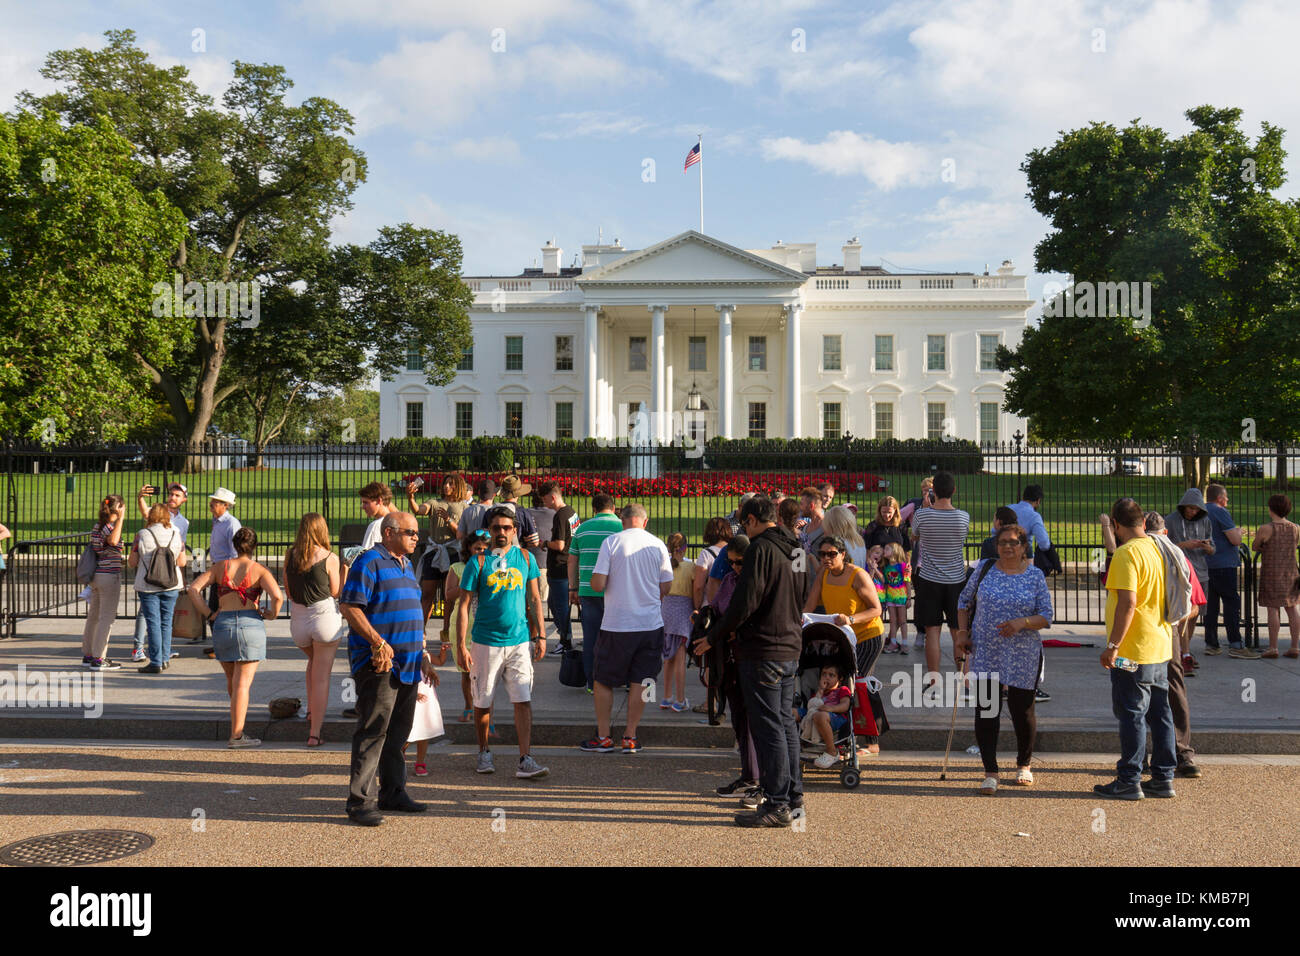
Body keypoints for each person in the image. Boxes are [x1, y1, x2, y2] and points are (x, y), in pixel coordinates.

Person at [701, 496, 804, 828]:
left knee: (768, 726)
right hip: (789, 643)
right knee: (785, 724)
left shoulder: (760, 549)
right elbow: (802, 592)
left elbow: (744, 603)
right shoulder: (796, 547)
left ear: (751, 520)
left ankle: (776, 803)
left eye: (744, 522)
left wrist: (714, 635)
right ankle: (792, 797)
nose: (744, 527)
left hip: (762, 648)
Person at [339, 511, 440, 826]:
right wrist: (377, 643)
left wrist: (423, 654)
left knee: (398, 734)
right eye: (410, 532)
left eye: (416, 533)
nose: (416, 537)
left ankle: (393, 792)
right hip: (380, 662)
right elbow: (350, 606)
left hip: (409, 663)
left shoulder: (406, 565)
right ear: (389, 533)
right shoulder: (369, 562)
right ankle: (360, 802)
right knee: (373, 731)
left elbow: (411, 614)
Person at [955, 523, 1053, 794]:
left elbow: (1046, 616)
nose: (1007, 547)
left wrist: (1022, 622)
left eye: (1013, 542)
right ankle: (990, 771)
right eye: (1002, 542)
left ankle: (1024, 764)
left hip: (1023, 654)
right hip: (987, 651)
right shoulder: (985, 569)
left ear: (1024, 547)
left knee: (1023, 712)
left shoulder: (1034, 576)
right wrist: (962, 633)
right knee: (987, 711)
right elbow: (964, 602)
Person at [456, 506, 549, 778]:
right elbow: (463, 605)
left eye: (507, 528)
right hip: (486, 641)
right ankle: (484, 751)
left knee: (523, 698)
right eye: (496, 528)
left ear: (515, 530)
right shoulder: (478, 562)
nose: (501, 533)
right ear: (489, 530)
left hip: (519, 641)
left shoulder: (525, 557)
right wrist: (461, 645)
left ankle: (525, 758)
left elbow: (534, 599)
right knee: (482, 701)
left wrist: (540, 635)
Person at [1094, 498, 1177, 800]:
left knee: (1131, 711)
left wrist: (1113, 646)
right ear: (1143, 521)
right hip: (1159, 644)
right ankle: (1163, 776)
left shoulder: (1126, 554)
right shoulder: (1158, 548)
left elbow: (1128, 603)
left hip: (1131, 651)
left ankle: (1129, 777)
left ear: (1115, 525)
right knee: (1160, 712)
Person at [580, 504, 674, 754]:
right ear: (645, 521)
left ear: (622, 520)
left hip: (617, 624)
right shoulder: (657, 544)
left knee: (602, 680)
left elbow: (597, 584)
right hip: (651, 623)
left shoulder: (611, 542)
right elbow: (666, 586)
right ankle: (631, 735)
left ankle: (603, 736)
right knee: (644, 680)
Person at [187, 528, 283, 748]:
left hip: (223, 624)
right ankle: (237, 735)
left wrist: (209, 614)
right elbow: (277, 596)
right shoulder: (258, 570)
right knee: (243, 684)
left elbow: (194, 588)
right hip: (250, 624)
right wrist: (272, 613)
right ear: (254, 546)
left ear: (234, 544)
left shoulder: (221, 567)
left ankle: (236, 727)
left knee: (232, 680)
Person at [804, 534, 885, 754]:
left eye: (831, 554)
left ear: (842, 554)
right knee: (842, 683)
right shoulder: (824, 574)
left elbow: (876, 609)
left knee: (861, 682)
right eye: (822, 555)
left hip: (867, 635)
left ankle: (873, 740)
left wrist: (851, 619)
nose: (826, 559)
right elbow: (810, 606)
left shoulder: (858, 576)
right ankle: (840, 734)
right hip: (842, 637)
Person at [702, 535, 764, 804]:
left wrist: (726, 629)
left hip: (749, 656)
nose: (735, 567)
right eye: (731, 563)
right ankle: (748, 774)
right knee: (739, 717)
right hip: (728, 659)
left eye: (740, 562)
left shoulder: (756, 583)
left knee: (754, 719)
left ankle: (758, 778)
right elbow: (717, 608)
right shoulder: (729, 580)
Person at [284, 513, 345, 747]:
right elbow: (336, 591)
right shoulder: (329, 557)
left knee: (313, 663)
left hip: (299, 619)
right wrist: (346, 571)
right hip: (324, 618)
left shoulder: (291, 555)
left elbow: (287, 591)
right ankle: (315, 732)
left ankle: (311, 710)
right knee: (322, 675)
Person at [909, 472, 971, 684]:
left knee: (932, 631)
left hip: (929, 579)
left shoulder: (922, 515)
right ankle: (963, 676)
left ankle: (934, 678)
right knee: (958, 631)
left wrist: (926, 509)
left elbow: (914, 536)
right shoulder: (963, 517)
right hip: (956, 580)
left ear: (933, 491)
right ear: (954, 491)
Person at [568, 492, 622, 693]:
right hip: (616, 592)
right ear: (613, 508)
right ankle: (618, 678)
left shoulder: (582, 529)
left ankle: (593, 682)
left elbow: (572, 560)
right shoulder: (621, 528)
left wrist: (572, 587)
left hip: (588, 590)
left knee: (591, 638)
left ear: (594, 509)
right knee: (618, 637)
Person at [130, 482, 189, 663]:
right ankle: (161, 656)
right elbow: (182, 560)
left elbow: (133, 562)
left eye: (177, 495)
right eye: (170, 494)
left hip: (149, 580)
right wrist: (140, 498)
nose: (172, 497)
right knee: (165, 620)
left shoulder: (143, 534)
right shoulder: (176, 532)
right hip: (171, 578)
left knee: (153, 620)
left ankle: (157, 659)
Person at [1202, 483, 1259, 659]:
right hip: (1223, 564)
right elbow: (1234, 540)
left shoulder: (1201, 511)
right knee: (1231, 603)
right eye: (1226, 497)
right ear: (1220, 498)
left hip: (1205, 564)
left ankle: (1211, 643)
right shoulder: (1220, 511)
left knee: (1210, 606)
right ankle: (1235, 643)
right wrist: (1238, 533)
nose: (1227, 500)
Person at [408, 473, 469, 626]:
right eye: (445, 483)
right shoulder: (435, 502)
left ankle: (446, 633)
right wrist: (411, 498)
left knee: (448, 597)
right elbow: (418, 510)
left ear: (459, 486)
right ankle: (420, 632)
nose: (446, 486)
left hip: (453, 554)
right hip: (434, 553)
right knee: (427, 594)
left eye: (450, 484)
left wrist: (449, 520)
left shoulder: (464, 507)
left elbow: (462, 535)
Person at [1165, 488, 1214, 673]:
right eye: (1189, 508)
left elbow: (1213, 546)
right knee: (1181, 612)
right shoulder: (1171, 520)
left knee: (1195, 613)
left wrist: (1207, 548)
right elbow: (1164, 546)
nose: (1192, 512)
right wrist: (1183, 545)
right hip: (1180, 572)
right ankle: (1180, 652)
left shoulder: (1206, 521)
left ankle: (1186, 650)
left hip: (1200, 572)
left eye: (1196, 509)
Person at [1251, 494, 1300, 659]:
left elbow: (1255, 546)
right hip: (1291, 572)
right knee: (1292, 608)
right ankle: (1294, 646)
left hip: (1272, 573)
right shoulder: (1295, 527)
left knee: (1273, 608)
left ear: (1271, 509)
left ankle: (1273, 647)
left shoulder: (1267, 528)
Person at [80, 495, 126, 670]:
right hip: (109, 576)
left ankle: (89, 653)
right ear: (119, 508)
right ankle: (99, 658)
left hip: (98, 575)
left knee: (94, 616)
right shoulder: (108, 527)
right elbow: (113, 541)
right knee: (106, 618)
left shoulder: (97, 526)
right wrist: (120, 519)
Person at [204, 487, 242, 658]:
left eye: (216, 502)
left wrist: (230, 575)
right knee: (214, 609)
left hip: (225, 570)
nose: (212, 504)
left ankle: (223, 646)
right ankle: (218, 644)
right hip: (217, 569)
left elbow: (235, 552)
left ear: (226, 505)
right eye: (213, 501)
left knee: (219, 609)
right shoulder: (218, 521)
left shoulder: (231, 524)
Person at [659, 532, 695, 713]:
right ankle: (680, 699)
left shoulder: (664, 567)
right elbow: (696, 590)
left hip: (666, 610)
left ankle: (666, 696)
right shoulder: (691, 567)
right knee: (680, 657)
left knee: (668, 657)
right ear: (685, 548)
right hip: (683, 612)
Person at [540, 482, 577, 654]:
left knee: (559, 606)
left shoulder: (560, 516)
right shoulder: (571, 512)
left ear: (553, 497)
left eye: (545, 499)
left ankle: (566, 641)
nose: (544, 503)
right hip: (567, 566)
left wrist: (544, 543)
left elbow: (560, 545)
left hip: (559, 567)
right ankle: (565, 637)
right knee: (556, 605)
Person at [795, 665, 852, 769]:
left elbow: (845, 705)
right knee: (791, 712)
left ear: (840, 679)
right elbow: (812, 705)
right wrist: (820, 690)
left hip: (836, 717)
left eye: (831, 675)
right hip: (814, 713)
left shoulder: (842, 690)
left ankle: (832, 752)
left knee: (819, 716)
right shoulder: (818, 692)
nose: (827, 677)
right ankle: (791, 745)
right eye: (824, 674)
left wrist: (831, 708)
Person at [490, 476, 541, 550]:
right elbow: (534, 541)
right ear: (518, 493)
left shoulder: (491, 510)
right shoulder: (523, 513)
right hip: (515, 554)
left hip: (493, 554)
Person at [693, 516, 732, 610]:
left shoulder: (706, 554)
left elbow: (698, 586)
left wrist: (697, 607)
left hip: (711, 606)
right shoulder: (734, 551)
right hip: (731, 605)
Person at [999, 485, 1050, 555]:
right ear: (1038, 501)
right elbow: (1044, 544)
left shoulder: (1007, 509)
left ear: (1023, 497)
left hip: (1001, 554)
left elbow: (994, 532)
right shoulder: (1034, 516)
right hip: (1023, 557)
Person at [880, 542, 912, 653]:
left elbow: (908, 582)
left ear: (894, 551)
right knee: (892, 621)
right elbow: (885, 583)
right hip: (890, 597)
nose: (884, 551)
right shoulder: (886, 567)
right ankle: (893, 642)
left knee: (902, 621)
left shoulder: (903, 566)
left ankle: (905, 643)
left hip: (901, 597)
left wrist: (909, 598)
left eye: (887, 549)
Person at [357, 482, 394, 551]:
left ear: (379, 501)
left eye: (366, 502)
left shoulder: (376, 526)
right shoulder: (397, 522)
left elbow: (366, 555)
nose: (363, 507)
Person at [799, 486, 827, 554]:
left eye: (802, 504)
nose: (800, 507)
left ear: (811, 506)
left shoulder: (827, 528)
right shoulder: (805, 527)